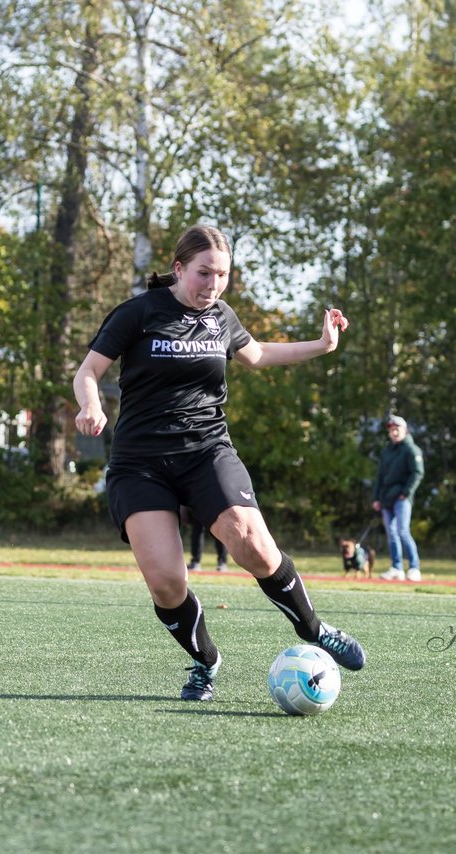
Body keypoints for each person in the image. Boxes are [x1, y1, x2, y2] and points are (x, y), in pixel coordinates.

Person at [73, 224, 365, 701]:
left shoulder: (222, 317)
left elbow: (259, 354)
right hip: (140, 462)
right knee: (167, 584)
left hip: (207, 451)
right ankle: (205, 661)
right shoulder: (138, 313)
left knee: (253, 544)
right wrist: (90, 405)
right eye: (203, 273)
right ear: (178, 268)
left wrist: (323, 346)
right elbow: (89, 371)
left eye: (222, 274)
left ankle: (314, 629)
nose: (212, 284)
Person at [372, 414, 424, 581]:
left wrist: (406, 493)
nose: (394, 432)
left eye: (397, 429)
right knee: (392, 534)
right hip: (386, 498)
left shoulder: (411, 449)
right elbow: (380, 476)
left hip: (401, 498)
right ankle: (396, 568)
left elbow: (417, 473)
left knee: (403, 531)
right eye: (391, 430)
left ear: (405, 430)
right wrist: (376, 498)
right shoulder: (387, 451)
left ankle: (414, 568)